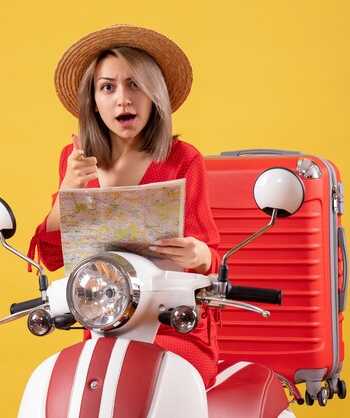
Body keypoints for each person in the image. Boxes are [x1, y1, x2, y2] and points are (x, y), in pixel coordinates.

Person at [27, 24, 221, 388]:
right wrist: (69, 191)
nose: (123, 99)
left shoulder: (184, 159)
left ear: (155, 95)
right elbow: (53, 257)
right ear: (93, 101)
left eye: (135, 84)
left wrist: (199, 254)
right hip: (107, 324)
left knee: (163, 383)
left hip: (174, 324)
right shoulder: (74, 158)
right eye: (108, 87)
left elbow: (213, 262)